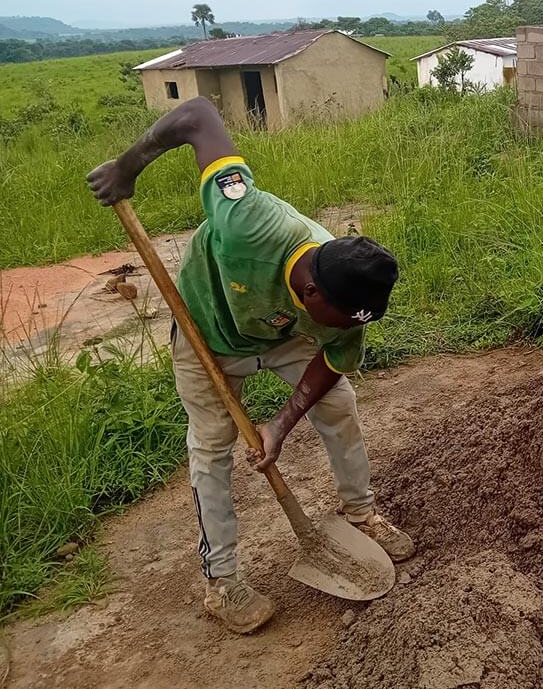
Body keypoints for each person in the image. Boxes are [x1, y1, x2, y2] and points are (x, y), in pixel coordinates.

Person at [86, 97, 414, 634]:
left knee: (339, 405)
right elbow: (197, 115)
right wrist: (127, 167)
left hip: (285, 336)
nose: (347, 329)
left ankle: (361, 513)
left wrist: (281, 424)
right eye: (338, 319)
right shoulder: (247, 221)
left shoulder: (350, 297)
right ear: (309, 291)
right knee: (211, 445)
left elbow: (332, 356)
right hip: (208, 331)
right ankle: (221, 581)